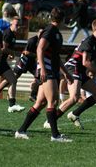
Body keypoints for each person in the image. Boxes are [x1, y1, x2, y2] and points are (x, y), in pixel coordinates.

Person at [15, 7, 73, 142]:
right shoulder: (50, 31)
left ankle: (21, 130)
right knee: (52, 101)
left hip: (50, 69)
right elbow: (40, 48)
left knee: (40, 103)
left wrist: (66, 73)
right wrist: (42, 68)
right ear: (62, 19)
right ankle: (55, 136)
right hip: (47, 70)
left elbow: (56, 57)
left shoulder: (56, 32)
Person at [43, 18, 96, 130]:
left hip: (81, 70)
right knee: (74, 97)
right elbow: (85, 62)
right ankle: (50, 121)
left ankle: (75, 114)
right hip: (73, 68)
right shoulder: (89, 41)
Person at [0, 28, 44, 103]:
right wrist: (36, 55)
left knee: (39, 76)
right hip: (24, 61)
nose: (42, 35)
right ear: (38, 33)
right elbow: (25, 52)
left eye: (43, 33)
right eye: (40, 33)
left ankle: (33, 95)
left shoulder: (43, 41)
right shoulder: (33, 40)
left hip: (32, 62)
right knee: (13, 78)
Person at [0, 16, 25, 113]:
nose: (18, 27)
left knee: (13, 80)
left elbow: (5, 50)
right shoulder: (8, 33)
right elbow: (3, 48)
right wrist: (12, 53)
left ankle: (12, 104)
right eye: (16, 25)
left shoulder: (13, 35)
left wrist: (9, 54)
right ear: (11, 25)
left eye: (19, 26)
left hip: (2, 62)